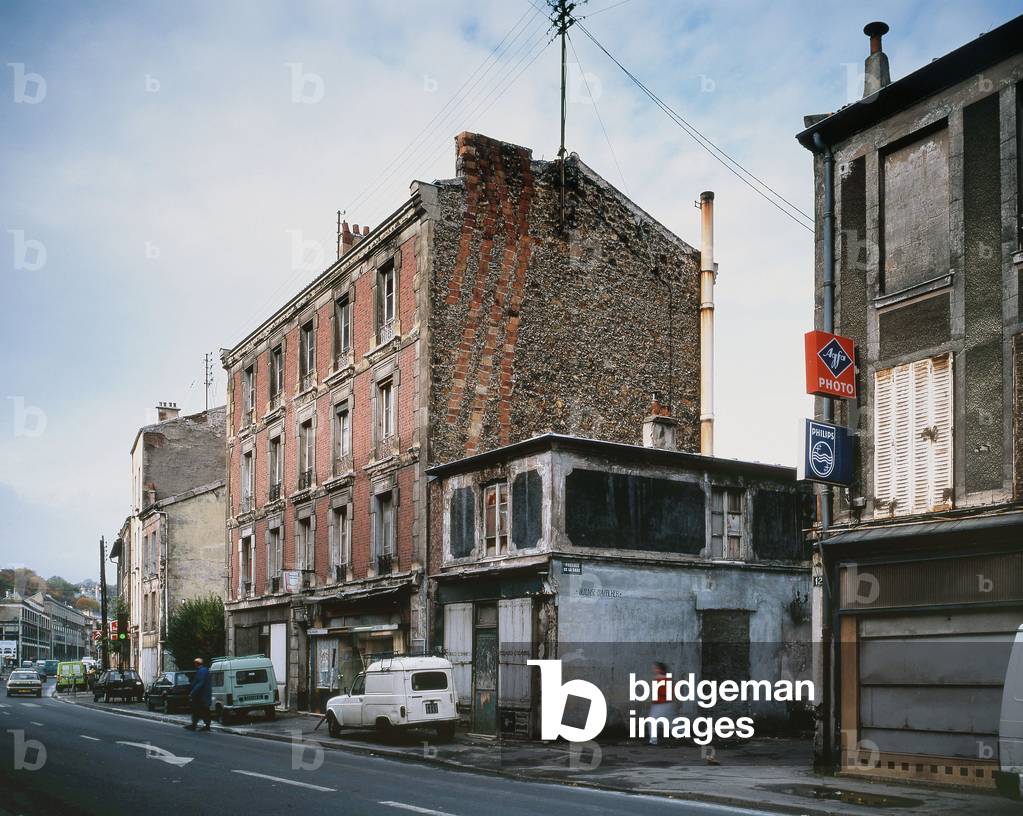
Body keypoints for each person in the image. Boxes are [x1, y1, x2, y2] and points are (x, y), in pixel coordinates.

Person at [648, 662, 673, 746]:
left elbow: (666, 693)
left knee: (653, 721)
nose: (654, 669)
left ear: (660, 669)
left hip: (662, 704)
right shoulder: (660, 679)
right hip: (661, 704)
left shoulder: (663, 679)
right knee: (670, 722)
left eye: (656, 668)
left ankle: (653, 740)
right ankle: (684, 734)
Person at [185, 657, 212, 731]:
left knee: (199, 710)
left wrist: (192, 692)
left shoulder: (202, 671)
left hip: (200, 695)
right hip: (203, 695)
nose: (194, 665)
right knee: (201, 710)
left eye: (195, 663)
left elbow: (200, 683)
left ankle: (203, 726)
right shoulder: (204, 670)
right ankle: (196, 725)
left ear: (197, 664)